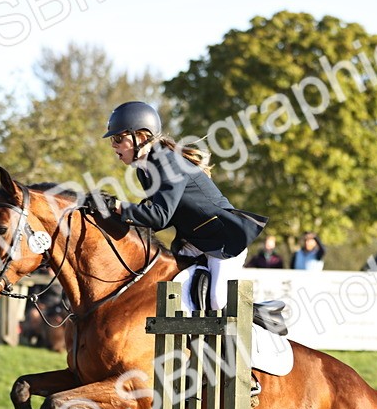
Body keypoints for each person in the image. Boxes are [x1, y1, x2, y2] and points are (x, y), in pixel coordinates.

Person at [90, 100, 266, 312]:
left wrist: (117, 205)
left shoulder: (168, 162)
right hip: (193, 241)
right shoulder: (144, 169)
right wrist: (107, 215)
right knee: (168, 286)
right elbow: (155, 218)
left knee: (218, 301)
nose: (114, 145)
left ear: (142, 137)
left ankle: (260, 325)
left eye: (119, 138)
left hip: (223, 242)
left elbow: (160, 216)